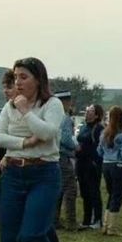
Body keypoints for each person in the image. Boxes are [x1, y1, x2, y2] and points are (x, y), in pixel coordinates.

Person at [0, 57, 65, 242]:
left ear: (38, 79)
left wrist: (26, 111)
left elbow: (47, 133)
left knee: (32, 234)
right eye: (15, 77)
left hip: (44, 173)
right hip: (14, 172)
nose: (18, 83)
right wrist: (23, 143)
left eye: (23, 77)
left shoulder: (52, 104)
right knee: (10, 239)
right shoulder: (8, 106)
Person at [98, 106, 122, 235]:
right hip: (119, 166)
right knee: (118, 195)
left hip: (106, 165)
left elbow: (99, 151)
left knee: (111, 194)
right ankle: (112, 227)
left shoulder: (103, 134)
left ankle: (105, 225)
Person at [75, 104, 104, 230]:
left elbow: (100, 146)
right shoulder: (84, 127)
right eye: (87, 110)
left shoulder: (98, 128)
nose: (87, 112)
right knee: (84, 192)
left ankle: (97, 220)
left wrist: (95, 161)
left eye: (91, 111)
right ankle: (86, 220)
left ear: (97, 115)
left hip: (91, 163)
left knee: (94, 191)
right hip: (80, 162)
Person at [55, 95, 78, 231]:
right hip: (63, 156)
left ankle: (54, 219)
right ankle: (71, 222)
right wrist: (75, 147)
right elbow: (65, 138)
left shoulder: (53, 117)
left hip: (54, 156)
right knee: (70, 189)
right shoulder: (66, 118)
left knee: (59, 189)